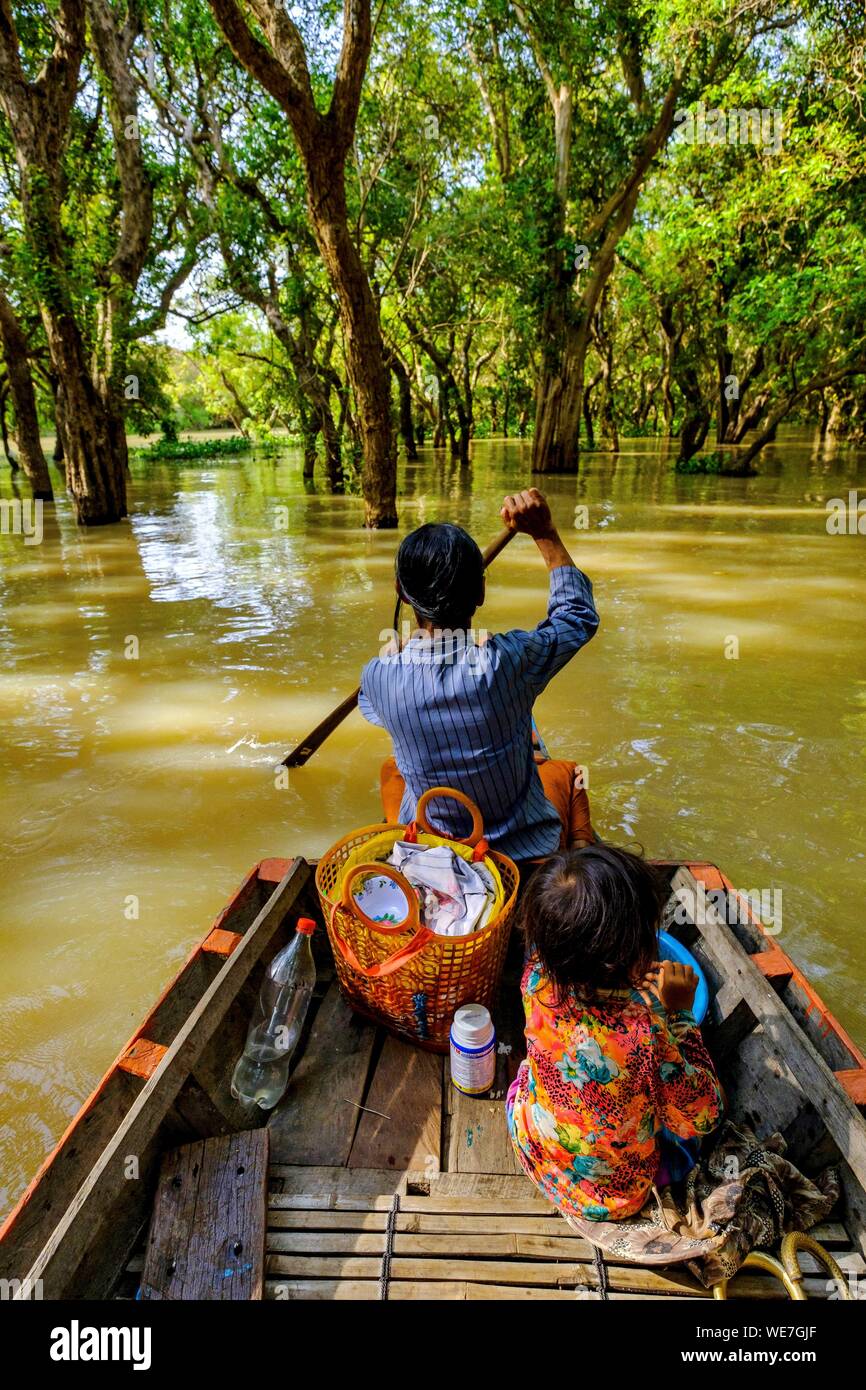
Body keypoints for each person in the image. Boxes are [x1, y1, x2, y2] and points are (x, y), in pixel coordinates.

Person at [358, 488, 599, 860]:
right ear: (481, 591)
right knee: (569, 774)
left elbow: (370, 704)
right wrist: (545, 534)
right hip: (520, 850)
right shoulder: (509, 661)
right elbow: (576, 617)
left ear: (402, 595)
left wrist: (398, 652)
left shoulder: (378, 676)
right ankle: (581, 848)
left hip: (435, 849)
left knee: (392, 770)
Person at [507, 845, 724, 1221]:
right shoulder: (647, 1035)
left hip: (537, 1149)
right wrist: (680, 1016)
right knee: (687, 1139)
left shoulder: (536, 979)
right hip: (610, 1197)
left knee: (530, 1076)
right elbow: (702, 1117)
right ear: (633, 957)